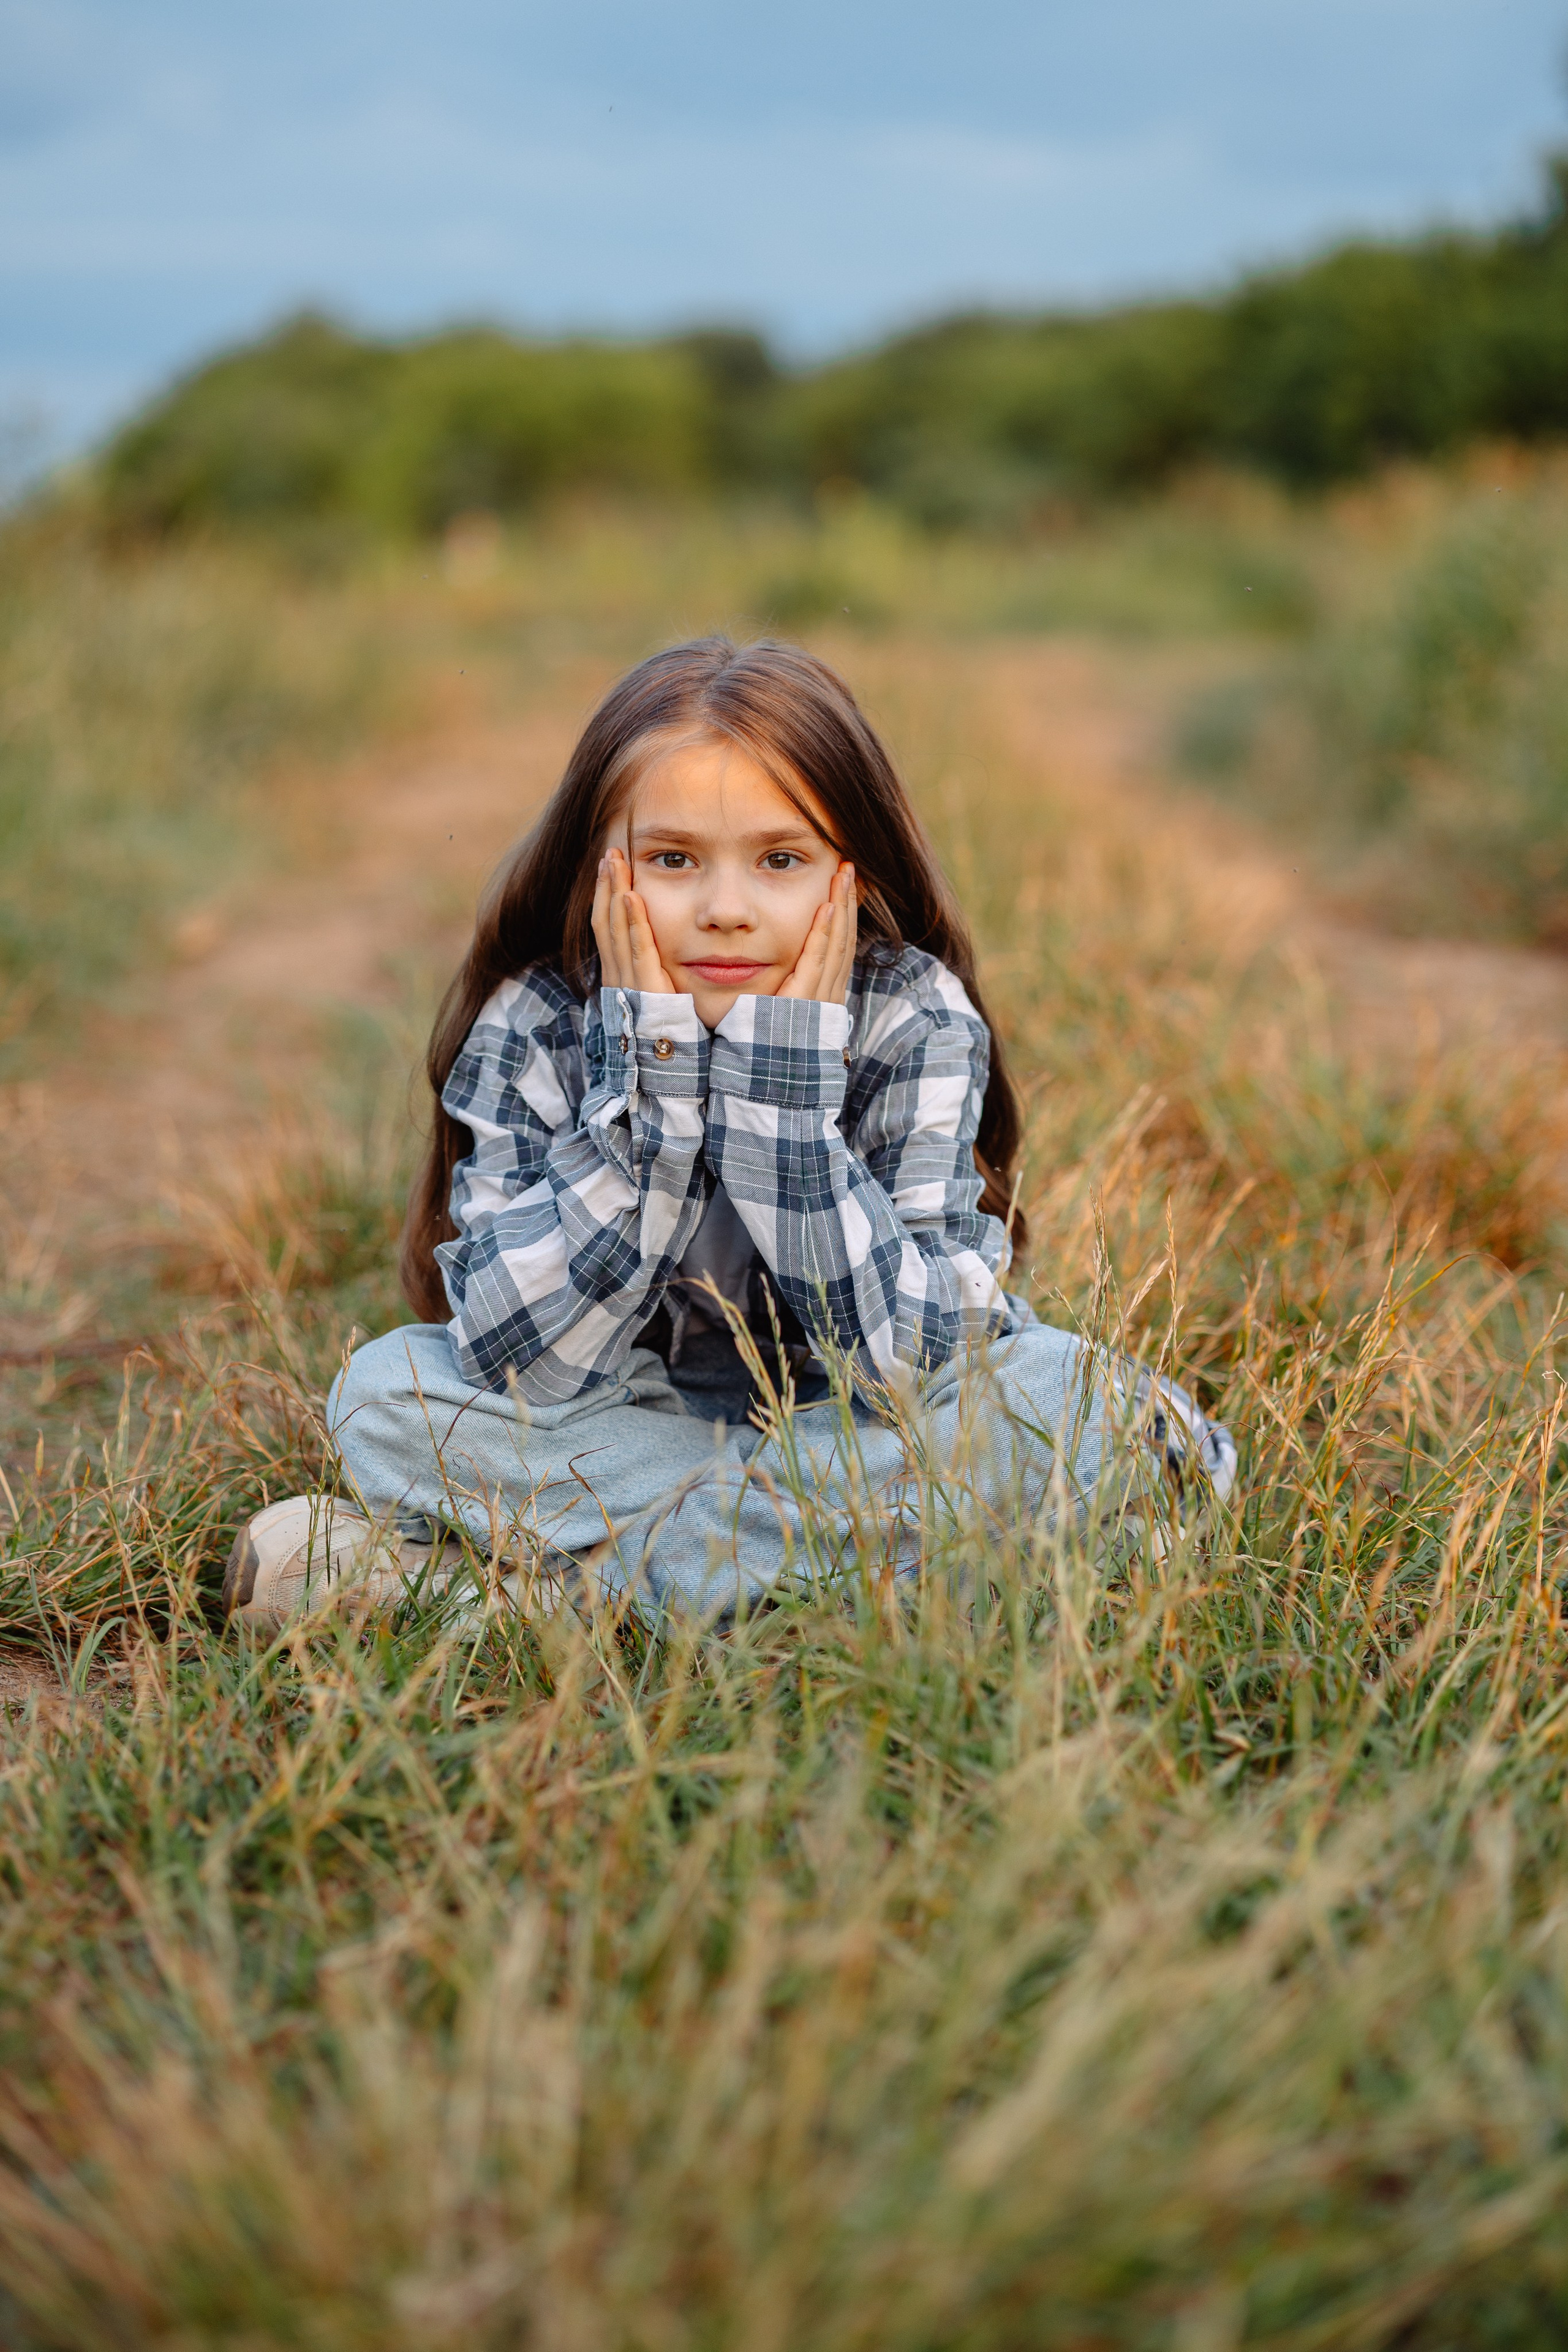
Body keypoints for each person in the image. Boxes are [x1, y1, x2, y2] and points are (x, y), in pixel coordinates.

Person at [224, 637, 1236, 1630]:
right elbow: (523, 1370)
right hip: (614, 1419)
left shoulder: (909, 1017)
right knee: (384, 1398)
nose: (725, 910)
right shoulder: (535, 1023)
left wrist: (784, 1112)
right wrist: (651, 1099)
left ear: (855, 875)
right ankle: (885, 1579)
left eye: (780, 860)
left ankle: (525, 1593)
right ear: (596, 873)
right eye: (671, 860)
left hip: (862, 1427)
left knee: (1088, 1410)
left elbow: (913, 1368)